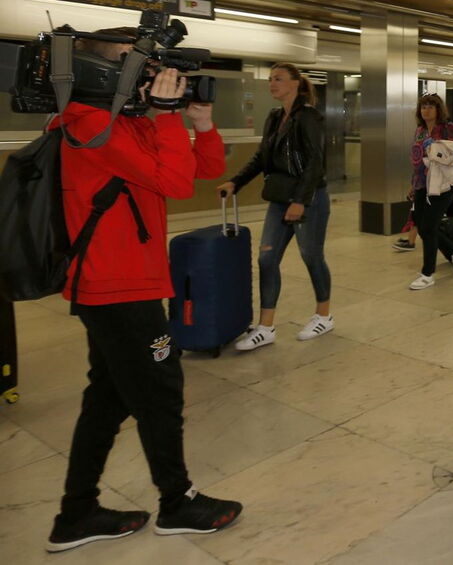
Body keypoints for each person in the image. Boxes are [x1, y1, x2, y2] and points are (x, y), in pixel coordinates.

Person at [48, 27, 241, 552]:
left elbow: (204, 169)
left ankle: (76, 513)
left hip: (124, 281)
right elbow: (177, 185)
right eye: (138, 66)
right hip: (116, 287)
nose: (152, 76)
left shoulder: (121, 123)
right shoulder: (88, 125)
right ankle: (176, 502)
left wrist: (201, 125)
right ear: (103, 71)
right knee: (160, 394)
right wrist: (168, 115)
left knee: (107, 400)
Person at [219, 63, 332, 350]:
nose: (272, 84)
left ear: (295, 84)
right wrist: (236, 182)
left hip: (309, 198)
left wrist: (300, 201)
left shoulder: (309, 117)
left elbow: (316, 163)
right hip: (280, 197)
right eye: (270, 79)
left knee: (311, 256)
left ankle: (324, 315)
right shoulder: (273, 117)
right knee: (267, 259)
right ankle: (266, 327)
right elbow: (261, 157)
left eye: (278, 79)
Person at [407, 93, 453, 290]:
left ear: (439, 110)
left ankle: (427, 273)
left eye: (431, 106)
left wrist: (437, 151)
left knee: (430, 227)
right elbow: (416, 161)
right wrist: (412, 184)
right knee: (423, 228)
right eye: (423, 106)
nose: (427, 110)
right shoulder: (420, 131)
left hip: (443, 185)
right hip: (423, 184)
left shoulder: (449, 129)